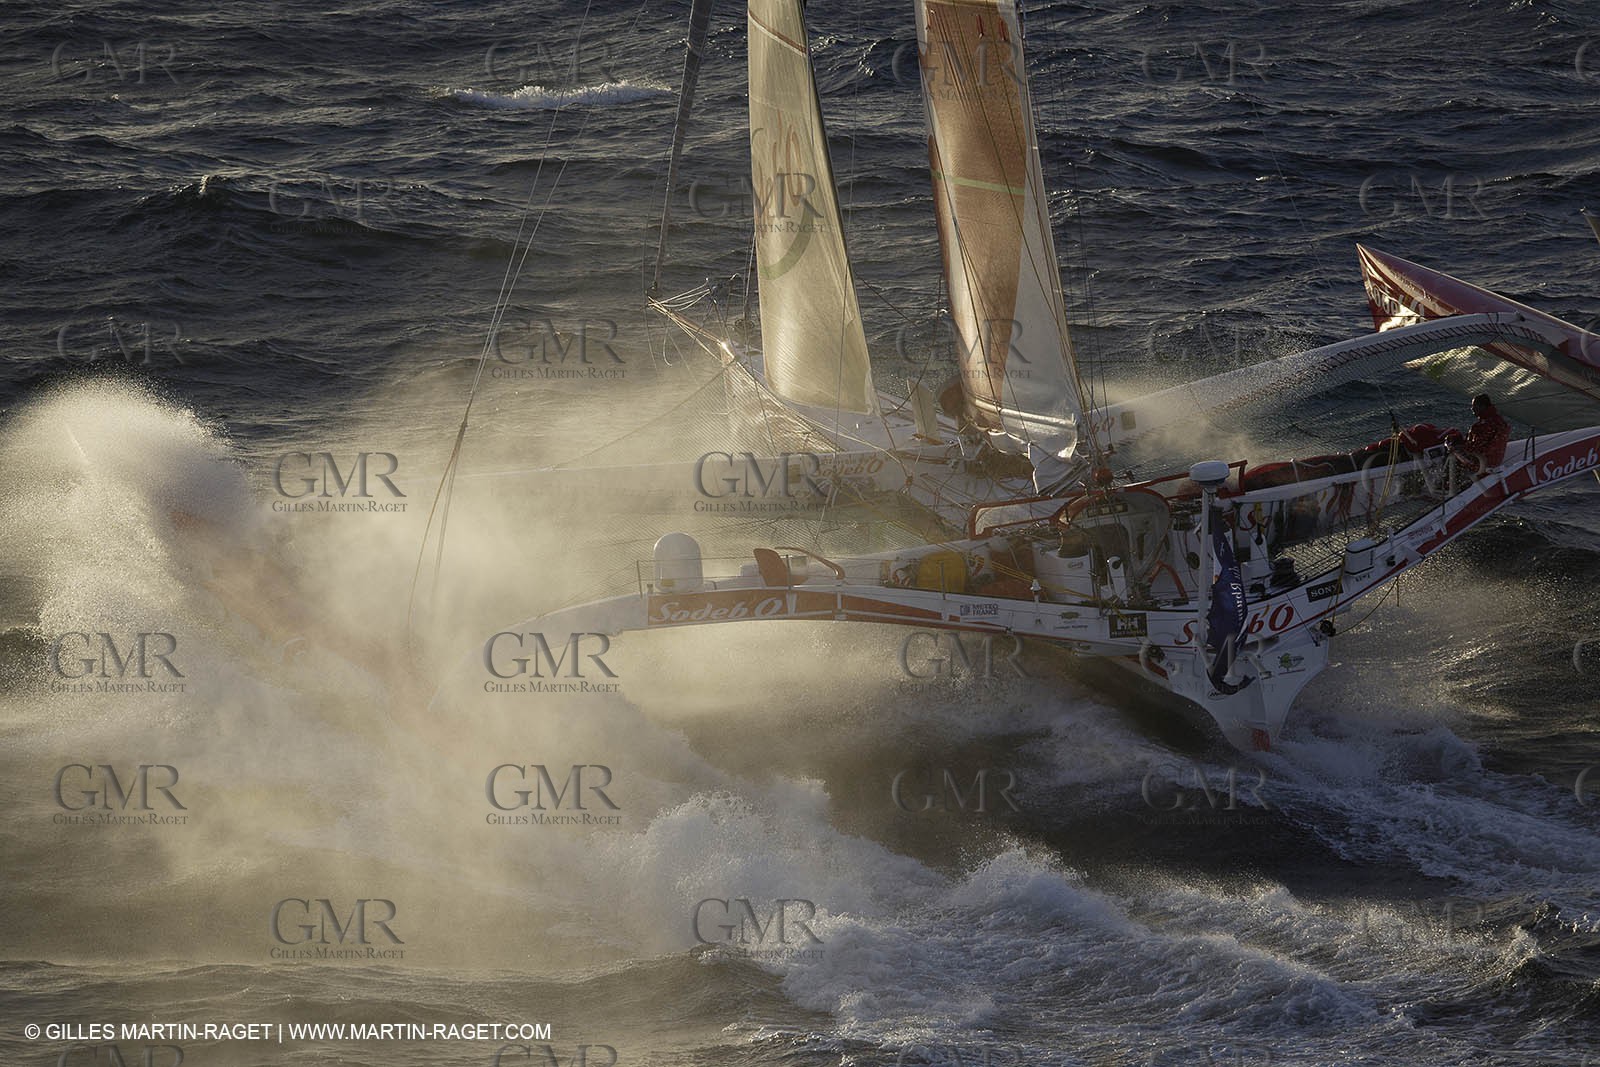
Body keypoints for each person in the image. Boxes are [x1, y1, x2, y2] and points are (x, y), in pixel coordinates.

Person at [1444, 393, 1510, 471]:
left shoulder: (1485, 426)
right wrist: (1459, 440)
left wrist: (1456, 447)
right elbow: (1479, 443)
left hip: (1481, 462)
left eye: (1474, 406)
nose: (1472, 408)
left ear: (1482, 407)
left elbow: (1477, 448)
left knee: (1451, 454)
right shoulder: (1498, 421)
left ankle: (1446, 480)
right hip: (1493, 460)